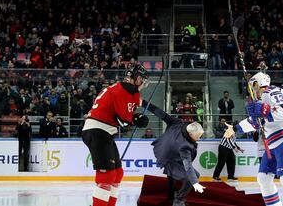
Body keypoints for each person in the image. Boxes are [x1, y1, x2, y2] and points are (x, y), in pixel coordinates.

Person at [224, 72, 283, 206]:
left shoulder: (273, 91)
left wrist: (264, 109)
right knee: (263, 178)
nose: (251, 92)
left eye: (252, 88)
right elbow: (255, 122)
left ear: (257, 84)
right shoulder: (259, 102)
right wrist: (234, 128)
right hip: (273, 142)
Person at [82, 64, 150, 206]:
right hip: (98, 131)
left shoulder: (120, 88)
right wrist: (135, 120)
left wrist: (134, 118)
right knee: (107, 175)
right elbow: (123, 120)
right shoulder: (128, 90)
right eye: (142, 80)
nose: (143, 83)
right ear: (136, 78)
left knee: (117, 173)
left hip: (102, 131)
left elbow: (121, 115)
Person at [141, 99, 206, 206]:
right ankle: (178, 200)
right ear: (190, 134)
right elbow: (188, 166)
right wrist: (195, 183)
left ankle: (173, 197)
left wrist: (143, 103)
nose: (199, 138)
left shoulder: (178, 123)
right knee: (192, 176)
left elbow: (160, 113)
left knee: (176, 177)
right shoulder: (186, 146)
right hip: (169, 158)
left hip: (172, 154)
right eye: (197, 136)